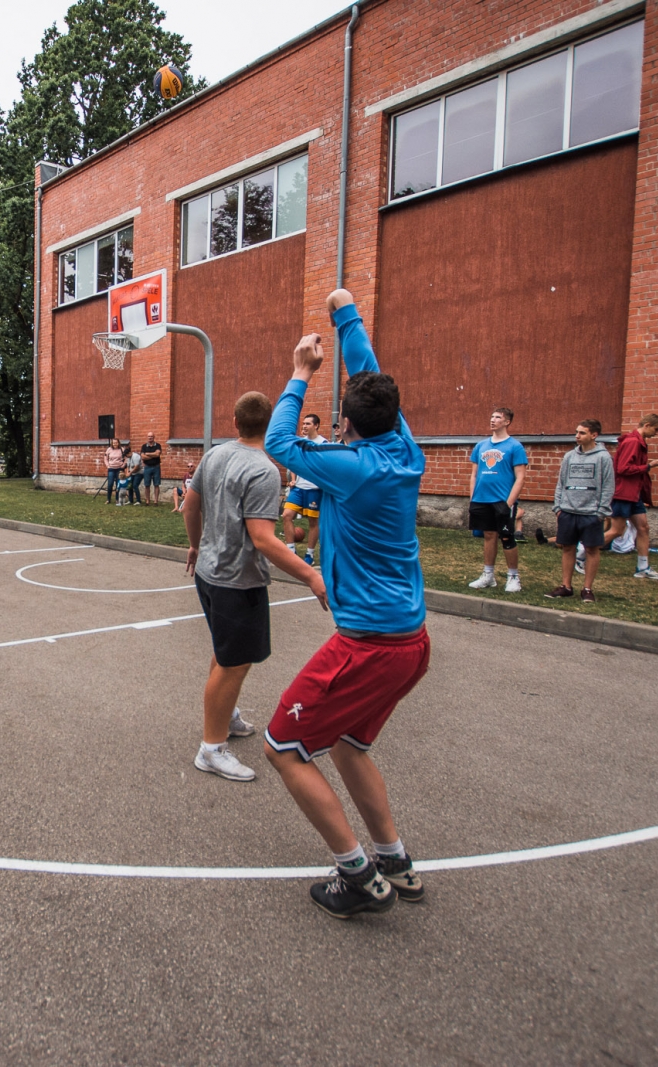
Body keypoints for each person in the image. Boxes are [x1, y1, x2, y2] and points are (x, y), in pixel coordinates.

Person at [260, 288, 432, 921]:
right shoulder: (402, 444)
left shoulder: (354, 465)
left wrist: (301, 372)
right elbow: (367, 372)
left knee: (282, 745)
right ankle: (395, 860)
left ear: (351, 426)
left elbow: (281, 445)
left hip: (368, 645)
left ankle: (357, 875)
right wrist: (346, 312)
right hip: (408, 642)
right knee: (349, 744)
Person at [183, 393, 327, 784]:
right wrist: (312, 576)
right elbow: (263, 538)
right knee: (234, 662)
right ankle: (211, 750)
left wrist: (196, 545)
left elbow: (190, 506)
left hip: (210, 574)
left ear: (234, 421)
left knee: (226, 653)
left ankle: (224, 717)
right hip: (236, 580)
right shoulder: (264, 470)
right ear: (275, 426)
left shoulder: (215, 455)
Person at [591, 413, 658, 581]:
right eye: (656, 429)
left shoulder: (638, 442)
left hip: (634, 494)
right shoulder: (633, 442)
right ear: (647, 425)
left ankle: (643, 567)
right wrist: (647, 466)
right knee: (617, 530)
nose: (656, 433)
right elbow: (623, 469)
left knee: (643, 528)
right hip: (624, 493)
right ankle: (583, 551)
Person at [544, 420, 613, 604]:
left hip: (591, 513)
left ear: (594, 435)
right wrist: (558, 507)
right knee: (567, 547)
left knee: (591, 549)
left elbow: (608, 486)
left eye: (582, 433)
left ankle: (587, 589)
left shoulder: (603, 458)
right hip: (568, 511)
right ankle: (566, 586)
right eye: (576, 432)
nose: (577, 436)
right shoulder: (569, 457)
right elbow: (561, 482)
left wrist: (601, 512)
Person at [466, 408, 528, 593]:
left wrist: (508, 504)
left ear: (507, 422)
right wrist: (472, 498)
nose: (493, 420)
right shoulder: (481, 446)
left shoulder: (515, 447)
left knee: (507, 536)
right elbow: (474, 474)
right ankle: (488, 575)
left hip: (502, 500)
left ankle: (513, 577)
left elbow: (520, 477)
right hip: (481, 499)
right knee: (488, 535)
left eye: (498, 417)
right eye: (492, 416)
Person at [280, 413, 326, 565]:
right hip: (298, 489)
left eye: (308, 424)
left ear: (316, 425)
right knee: (286, 515)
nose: (304, 426)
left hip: (314, 490)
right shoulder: (300, 442)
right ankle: (291, 551)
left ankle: (310, 555)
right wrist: (293, 480)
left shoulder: (323, 444)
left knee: (313, 522)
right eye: (304, 423)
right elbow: (294, 463)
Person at [139, 432, 163, 504]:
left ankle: (156, 501)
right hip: (147, 467)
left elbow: (158, 454)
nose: (150, 438)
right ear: (147, 437)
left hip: (156, 467)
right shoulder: (144, 446)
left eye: (151, 436)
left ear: (154, 437)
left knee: (156, 484)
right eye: (149, 436)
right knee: (147, 484)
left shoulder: (158, 445)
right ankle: (147, 500)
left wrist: (147, 454)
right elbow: (143, 456)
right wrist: (153, 454)